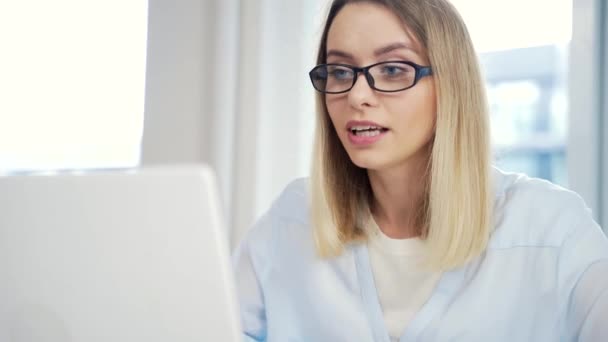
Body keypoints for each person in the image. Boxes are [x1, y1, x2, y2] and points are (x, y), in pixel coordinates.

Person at [232, 0, 608, 341]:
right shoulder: (293, 219)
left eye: (393, 69)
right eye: (341, 71)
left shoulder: (551, 229)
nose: (357, 95)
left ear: (451, 86)